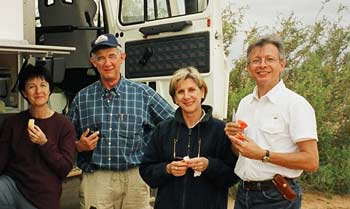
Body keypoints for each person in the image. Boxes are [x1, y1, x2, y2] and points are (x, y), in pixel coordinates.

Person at [67, 33, 175, 209]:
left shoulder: (142, 93)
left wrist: (151, 149)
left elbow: (172, 122)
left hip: (135, 177)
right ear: (93, 62)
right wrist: (79, 145)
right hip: (96, 178)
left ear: (122, 58)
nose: (107, 63)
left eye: (111, 56)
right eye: (100, 58)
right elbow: (64, 138)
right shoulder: (82, 98)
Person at [224, 34, 319, 209]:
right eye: (256, 60)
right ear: (248, 67)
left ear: (282, 64)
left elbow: (311, 161)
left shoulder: (296, 105)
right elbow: (241, 154)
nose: (262, 65)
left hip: (278, 197)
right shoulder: (245, 103)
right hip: (243, 194)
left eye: (269, 59)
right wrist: (235, 141)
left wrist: (263, 154)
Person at [139, 67, 239, 209]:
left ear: (202, 92)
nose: (186, 96)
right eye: (180, 92)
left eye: (192, 90)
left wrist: (209, 165)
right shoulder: (162, 130)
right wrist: (167, 169)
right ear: (174, 98)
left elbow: (232, 176)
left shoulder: (220, 130)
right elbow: (146, 170)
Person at [0, 64, 76, 209]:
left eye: (43, 85)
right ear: (24, 92)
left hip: (42, 197)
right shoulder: (12, 123)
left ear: (49, 89)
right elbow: (2, 159)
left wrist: (44, 143)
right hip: (12, 186)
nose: (38, 91)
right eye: (31, 86)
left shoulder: (64, 125)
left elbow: (65, 168)